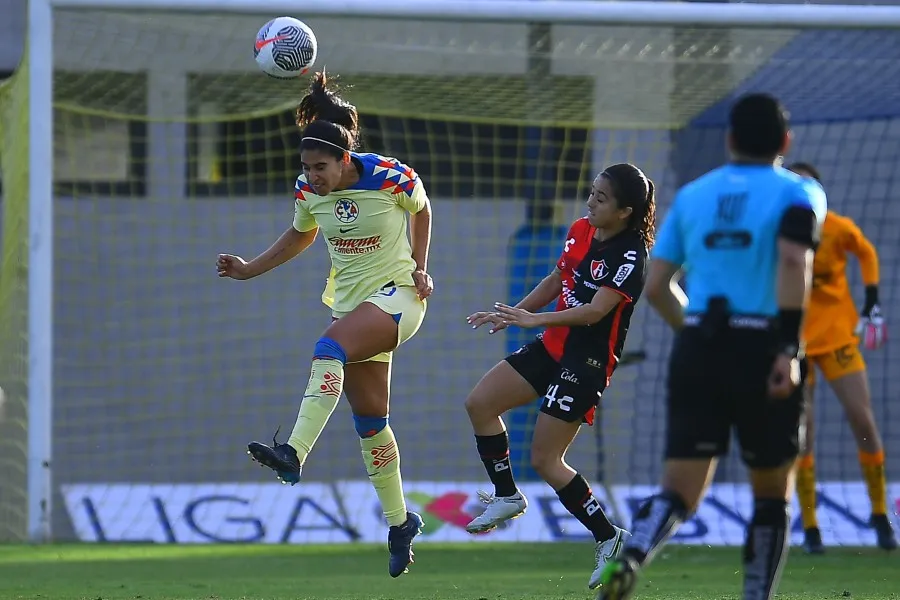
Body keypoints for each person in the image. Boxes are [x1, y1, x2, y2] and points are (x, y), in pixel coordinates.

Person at [597, 93, 827, 600]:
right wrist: (787, 350)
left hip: (699, 348)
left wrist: (695, 337)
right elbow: (794, 262)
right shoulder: (801, 192)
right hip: (764, 347)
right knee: (771, 495)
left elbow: (657, 286)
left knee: (679, 491)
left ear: (730, 140)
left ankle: (631, 557)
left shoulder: (694, 196)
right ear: (785, 142)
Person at [216, 71, 434, 578]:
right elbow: (301, 235)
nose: (313, 176)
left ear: (344, 159)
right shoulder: (307, 191)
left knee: (328, 347)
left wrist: (421, 267)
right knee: (370, 421)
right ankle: (401, 522)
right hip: (354, 307)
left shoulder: (390, 175)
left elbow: (422, 209)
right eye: (306, 168)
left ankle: (293, 451)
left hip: (400, 297)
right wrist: (249, 269)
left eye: (321, 168)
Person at [464, 163, 655, 590]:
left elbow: (595, 312)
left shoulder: (631, 256)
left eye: (601, 198)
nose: (590, 202)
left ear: (625, 211)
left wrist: (535, 320)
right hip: (552, 346)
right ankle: (507, 495)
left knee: (545, 460)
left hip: (586, 363)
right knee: (480, 404)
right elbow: (557, 278)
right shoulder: (581, 230)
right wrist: (514, 313)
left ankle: (610, 537)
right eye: (592, 192)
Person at [785, 162, 896, 554]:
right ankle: (811, 526)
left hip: (837, 340)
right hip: (796, 344)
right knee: (803, 435)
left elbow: (866, 253)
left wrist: (871, 298)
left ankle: (879, 513)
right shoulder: (776, 233)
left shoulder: (837, 227)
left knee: (863, 420)